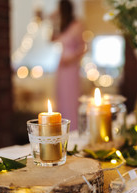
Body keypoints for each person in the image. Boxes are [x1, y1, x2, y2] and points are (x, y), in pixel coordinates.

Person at [51, 0, 86, 130]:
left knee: (71, 100)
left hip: (71, 68)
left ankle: (74, 130)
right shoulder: (62, 26)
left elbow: (83, 48)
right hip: (61, 69)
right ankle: (62, 130)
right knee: (62, 100)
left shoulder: (77, 25)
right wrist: (53, 21)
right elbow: (52, 39)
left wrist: (70, 59)